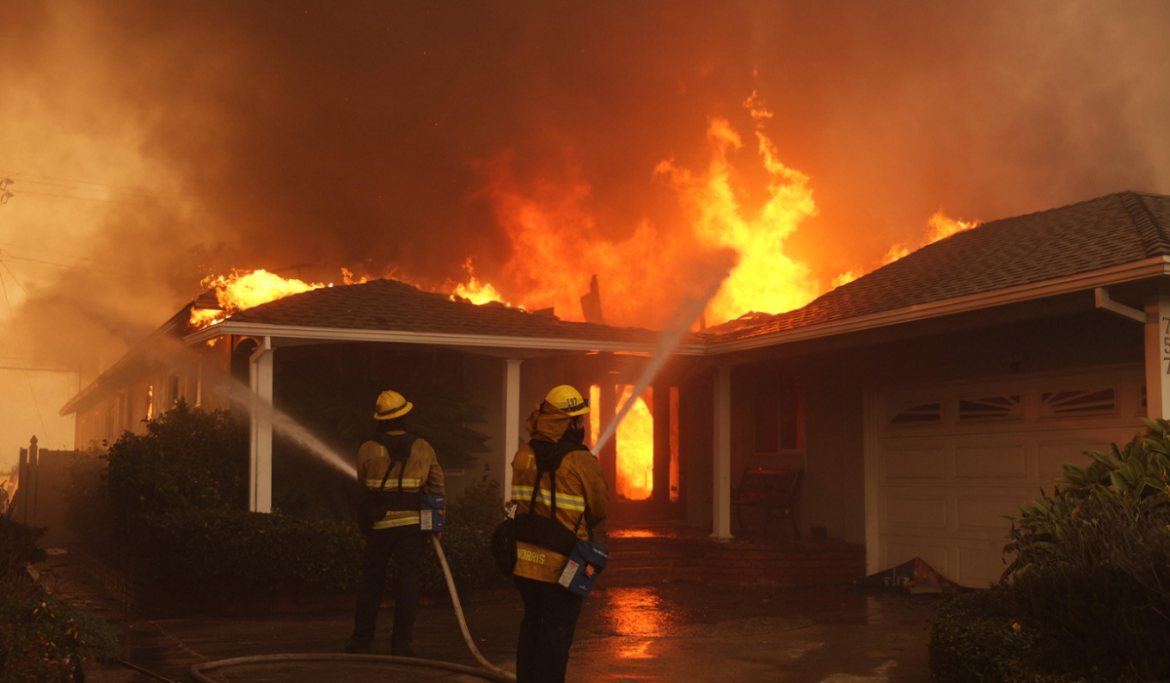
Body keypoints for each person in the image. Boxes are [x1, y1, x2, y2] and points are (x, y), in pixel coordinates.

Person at [510, 385, 608, 683]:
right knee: (557, 630)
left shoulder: (523, 454)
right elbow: (598, 508)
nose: (582, 424)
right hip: (562, 564)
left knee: (532, 623)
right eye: (579, 419)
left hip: (523, 560)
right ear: (569, 423)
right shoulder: (581, 459)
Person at [347, 390, 444, 656]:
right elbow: (436, 487)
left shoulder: (368, 448)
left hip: (378, 527)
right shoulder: (423, 446)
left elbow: (362, 484)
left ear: (380, 419)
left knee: (371, 583)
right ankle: (401, 644)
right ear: (404, 415)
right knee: (408, 585)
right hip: (413, 528)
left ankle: (361, 641)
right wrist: (437, 524)